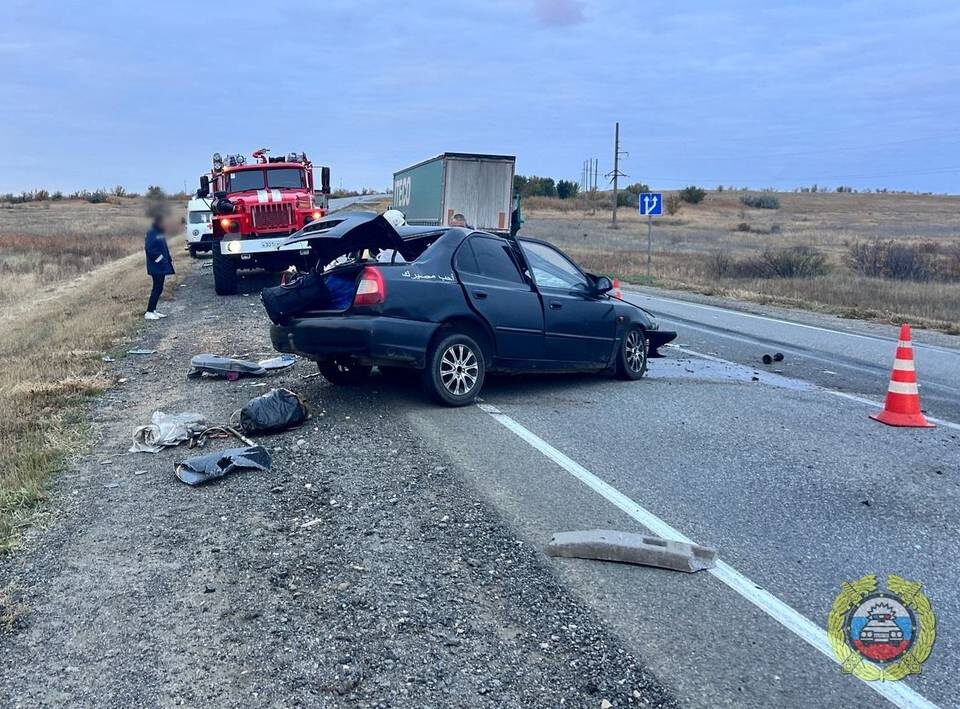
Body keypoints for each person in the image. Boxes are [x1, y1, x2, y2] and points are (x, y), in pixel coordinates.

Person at [143, 203, 176, 320]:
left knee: (159, 288)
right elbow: (149, 249)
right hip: (156, 266)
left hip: (161, 265)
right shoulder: (152, 232)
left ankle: (153, 310)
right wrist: (161, 259)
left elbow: (163, 247)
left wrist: (168, 259)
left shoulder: (159, 232)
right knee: (156, 288)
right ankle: (149, 312)